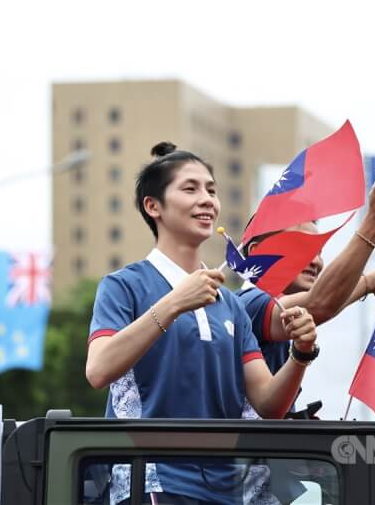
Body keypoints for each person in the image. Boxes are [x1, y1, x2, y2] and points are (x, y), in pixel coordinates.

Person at [86, 142, 319, 505]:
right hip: (150, 485)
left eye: (211, 190)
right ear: (153, 206)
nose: (207, 199)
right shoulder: (123, 286)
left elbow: (268, 405)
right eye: (190, 188)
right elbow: (99, 369)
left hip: (229, 491)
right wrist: (176, 302)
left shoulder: (229, 303)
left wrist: (301, 355)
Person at [237, 164, 375, 380]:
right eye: (302, 248)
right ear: (258, 253)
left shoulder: (270, 307)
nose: (315, 262)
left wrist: (372, 282)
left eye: (319, 252)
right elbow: (319, 304)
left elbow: (320, 301)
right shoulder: (246, 304)